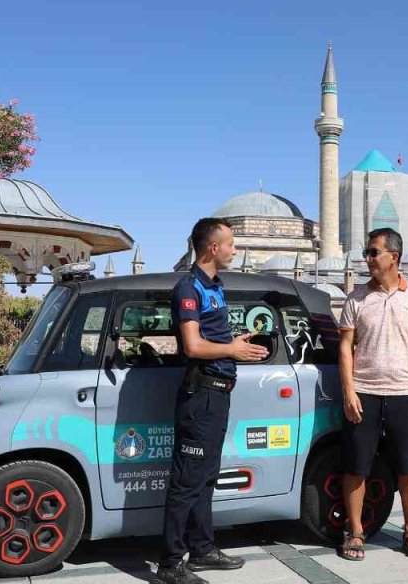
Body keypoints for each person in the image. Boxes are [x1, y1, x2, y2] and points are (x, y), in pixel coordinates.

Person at [155, 218, 267, 584]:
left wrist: (236, 342)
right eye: (231, 243)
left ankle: (202, 549)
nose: (235, 249)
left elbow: (212, 338)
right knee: (187, 481)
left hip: (218, 394)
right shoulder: (189, 287)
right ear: (212, 248)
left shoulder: (215, 286)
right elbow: (192, 346)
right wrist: (232, 349)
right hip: (201, 395)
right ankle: (171, 563)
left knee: (205, 477)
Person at [337, 227, 408, 562]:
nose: (367, 258)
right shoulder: (356, 298)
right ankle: (355, 531)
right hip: (364, 393)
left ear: (394, 257)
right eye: (366, 252)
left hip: (405, 393)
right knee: (356, 466)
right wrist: (349, 391)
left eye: (373, 252)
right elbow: (346, 347)